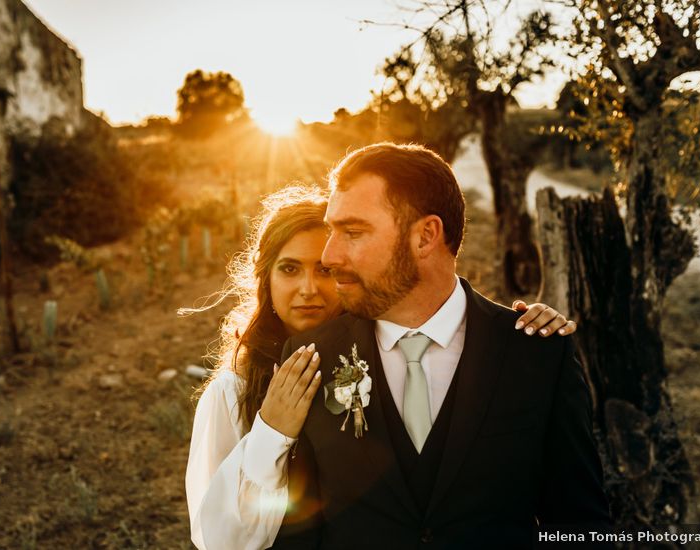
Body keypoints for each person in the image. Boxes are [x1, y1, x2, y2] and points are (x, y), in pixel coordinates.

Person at [184, 184, 579, 550]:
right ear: (264, 278)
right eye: (289, 269)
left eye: (325, 269)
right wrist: (270, 431)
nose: (309, 289)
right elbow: (218, 540)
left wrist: (515, 328)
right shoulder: (233, 392)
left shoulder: (394, 351)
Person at [270, 144, 611, 549]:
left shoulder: (537, 353)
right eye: (332, 231)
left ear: (426, 236)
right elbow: (300, 530)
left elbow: (579, 523)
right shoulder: (311, 357)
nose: (329, 255)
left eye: (354, 233)